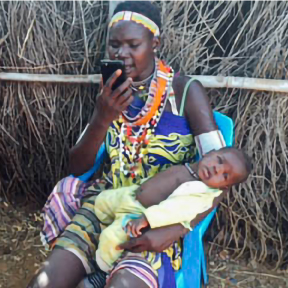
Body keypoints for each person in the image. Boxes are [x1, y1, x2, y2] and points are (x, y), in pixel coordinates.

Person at [28, 2, 233, 288]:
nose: (121, 54)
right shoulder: (112, 93)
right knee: (45, 282)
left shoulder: (185, 93)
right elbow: (77, 168)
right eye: (114, 45)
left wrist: (174, 229)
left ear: (154, 43)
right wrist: (102, 117)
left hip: (157, 214)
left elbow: (222, 178)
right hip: (105, 204)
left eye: (132, 44)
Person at [94, 147, 251, 273]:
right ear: (209, 152)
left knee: (111, 238)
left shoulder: (199, 193)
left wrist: (146, 219)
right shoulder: (191, 169)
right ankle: (101, 214)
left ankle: (106, 267)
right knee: (102, 201)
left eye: (224, 175)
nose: (217, 169)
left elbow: (173, 210)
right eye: (219, 160)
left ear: (224, 187)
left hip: (138, 214)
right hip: (131, 195)